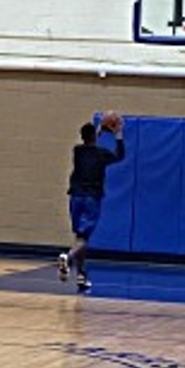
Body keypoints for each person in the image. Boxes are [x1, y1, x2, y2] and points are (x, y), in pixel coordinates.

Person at [58, 117, 125, 291]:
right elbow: (120, 155)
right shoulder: (101, 154)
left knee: (79, 238)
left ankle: (81, 275)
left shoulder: (77, 151)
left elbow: (88, 141)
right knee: (83, 239)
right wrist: (118, 134)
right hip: (91, 198)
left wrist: (99, 130)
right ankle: (68, 257)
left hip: (75, 197)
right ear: (95, 138)